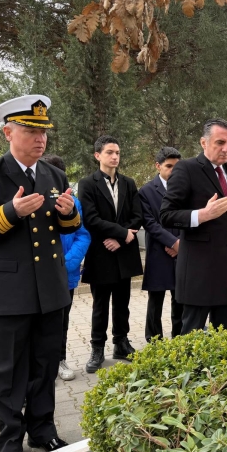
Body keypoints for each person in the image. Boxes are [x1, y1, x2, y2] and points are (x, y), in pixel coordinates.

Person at [0, 95, 81, 452]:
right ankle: (10, 442)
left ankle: (43, 430)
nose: (40, 139)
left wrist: (69, 214)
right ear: (8, 132)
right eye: (30, 131)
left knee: (45, 365)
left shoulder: (53, 175)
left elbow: (66, 228)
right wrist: (9, 212)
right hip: (7, 293)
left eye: (43, 132)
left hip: (50, 290)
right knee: (7, 372)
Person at [159, 118, 227, 333]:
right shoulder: (186, 169)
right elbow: (166, 215)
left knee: (222, 338)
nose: (226, 148)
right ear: (204, 143)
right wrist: (202, 215)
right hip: (199, 271)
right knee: (192, 339)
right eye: (220, 143)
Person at [78, 135, 143, 373]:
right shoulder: (87, 184)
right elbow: (91, 218)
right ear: (98, 155)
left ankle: (121, 343)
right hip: (101, 252)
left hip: (123, 251)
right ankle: (97, 348)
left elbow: (137, 215)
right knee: (100, 305)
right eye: (109, 152)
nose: (115, 156)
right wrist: (122, 232)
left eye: (117, 152)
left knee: (123, 303)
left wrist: (121, 238)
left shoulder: (129, 183)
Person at [41, 154, 91, 381]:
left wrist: (66, 263)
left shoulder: (73, 203)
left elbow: (83, 235)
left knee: (61, 321)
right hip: (38, 274)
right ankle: (40, 368)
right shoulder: (33, 200)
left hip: (64, 274)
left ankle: (59, 360)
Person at [139, 147, 184, 341]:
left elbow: (190, 217)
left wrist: (181, 243)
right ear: (158, 166)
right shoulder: (146, 191)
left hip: (181, 251)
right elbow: (149, 223)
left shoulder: (185, 189)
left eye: (177, 167)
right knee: (156, 300)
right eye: (169, 166)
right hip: (159, 252)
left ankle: (180, 338)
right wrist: (172, 242)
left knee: (180, 298)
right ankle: (154, 340)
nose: (173, 171)